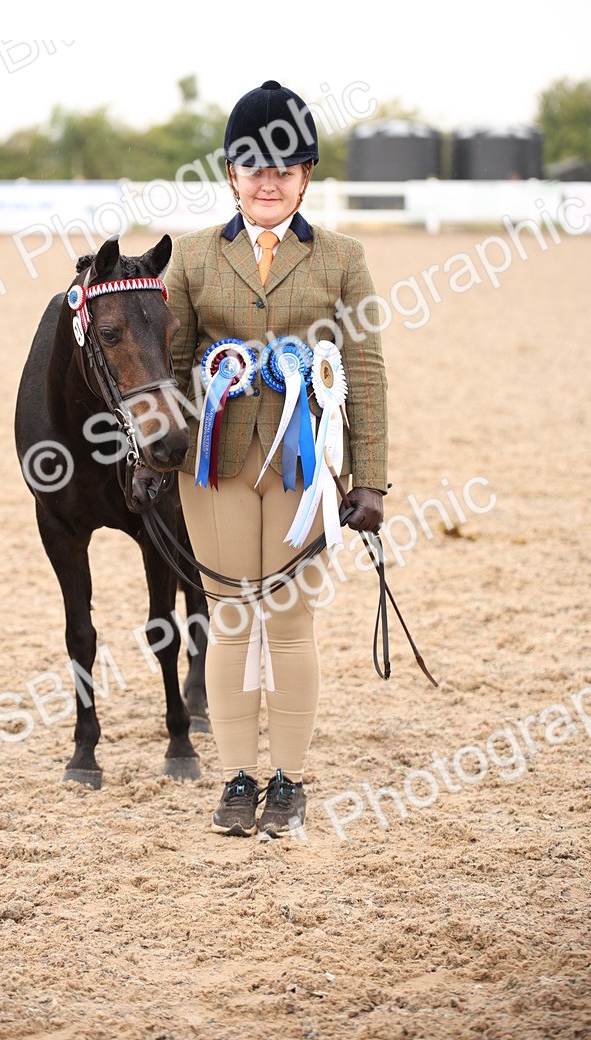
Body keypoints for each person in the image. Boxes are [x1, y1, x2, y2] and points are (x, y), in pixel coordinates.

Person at [164, 80, 389, 838]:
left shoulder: (342, 259)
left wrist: (373, 479)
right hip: (216, 463)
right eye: (254, 167)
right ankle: (235, 778)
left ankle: (288, 780)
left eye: (284, 169)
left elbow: (364, 370)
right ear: (230, 173)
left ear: (306, 177)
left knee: (290, 624)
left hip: (306, 472)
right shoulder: (192, 257)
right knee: (230, 620)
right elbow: (167, 358)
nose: (268, 181)